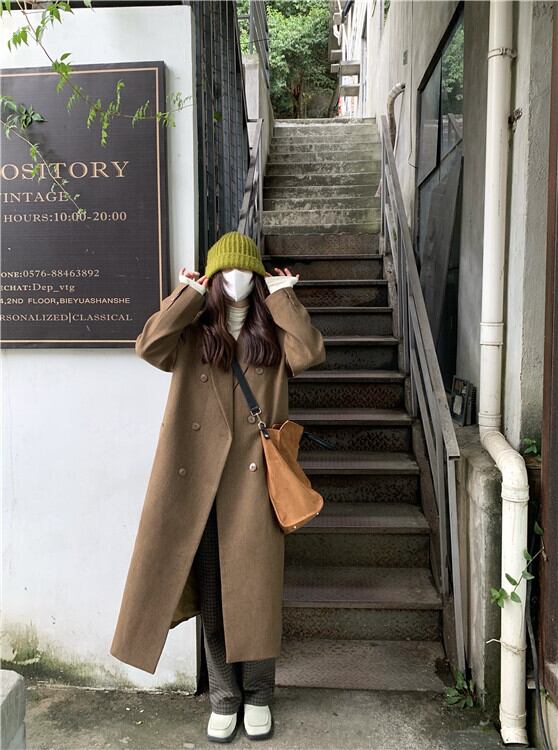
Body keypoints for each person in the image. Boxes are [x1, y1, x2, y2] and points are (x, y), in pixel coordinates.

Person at [109, 230, 326, 743]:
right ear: (211, 277)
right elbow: (148, 345)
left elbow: (311, 353)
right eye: (225, 270)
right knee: (214, 598)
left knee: (256, 596)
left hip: (255, 485)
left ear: (258, 277)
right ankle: (224, 697)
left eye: (246, 270)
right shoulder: (194, 331)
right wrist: (185, 294)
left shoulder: (271, 331)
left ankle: (260, 695)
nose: (235, 278)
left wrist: (284, 298)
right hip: (198, 486)